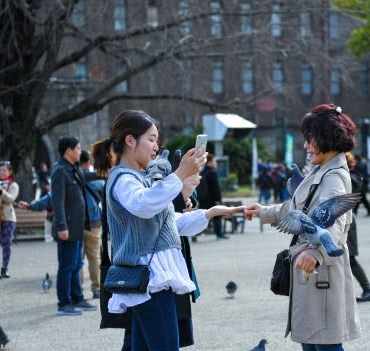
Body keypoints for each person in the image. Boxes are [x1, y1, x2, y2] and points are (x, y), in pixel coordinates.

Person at [90, 109, 244, 350]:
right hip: (150, 278)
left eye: (156, 140)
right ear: (130, 141)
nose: (156, 146)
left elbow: (167, 223)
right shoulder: (123, 179)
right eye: (151, 139)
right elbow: (144, 205)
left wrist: (209, 213)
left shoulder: (137, 177)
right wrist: (180, 173)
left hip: (150, 278)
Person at [245, 104, 361, 350]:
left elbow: (337, 223)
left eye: (309, 139)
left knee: (324, 343)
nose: (306, 146)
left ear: (325, 138)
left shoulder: (333, 176)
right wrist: (264, 211)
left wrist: (316, 253)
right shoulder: (322, 170)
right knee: (311, 340)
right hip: (311, 270)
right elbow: (300, 209)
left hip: (321, 272)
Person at [51, 135, 98, 316]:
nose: (80, 151)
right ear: (69, 150)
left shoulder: (73, 169)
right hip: (67, 228)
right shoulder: (60, 171)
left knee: (77, 264)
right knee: (66, 266)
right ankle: (64, 303)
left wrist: (105, 171)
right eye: (78, 148)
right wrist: (62, 226)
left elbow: (86, 175)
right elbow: (57, 202)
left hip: (77, 227)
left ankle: (77, 298)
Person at [345, 152, 370, 303]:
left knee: (349, 259)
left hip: (346, 222)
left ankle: (368, 290)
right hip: (344, 221)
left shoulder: (351, 177)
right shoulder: (347, 176)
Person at [79, 150, 105, 299]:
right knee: (95, 257)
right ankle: (96, 288)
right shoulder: (96, 181)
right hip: (94, 222)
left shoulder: (73, 177)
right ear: (89, 162)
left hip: (77, 224)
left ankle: (79, 290)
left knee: (78, 260)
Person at [197, 153, 229, 240]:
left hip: (203, 199)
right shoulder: (212, 172)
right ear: (209, 163)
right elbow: (216, 188)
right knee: (217, 217)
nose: (215, 163)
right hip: (212, 200)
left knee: (202, 217)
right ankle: (219, 235)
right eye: (214, 161)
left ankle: (195, 234)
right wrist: (218, 199)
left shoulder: (202, 172)